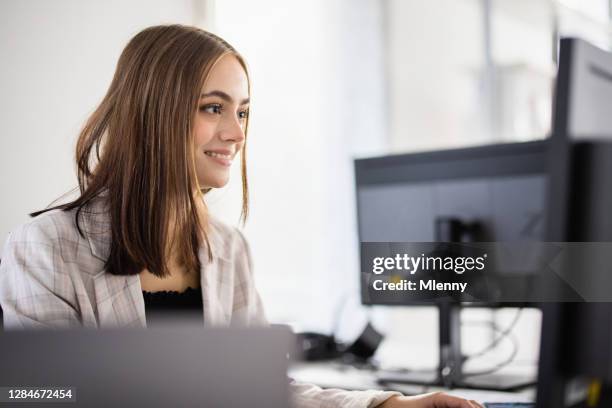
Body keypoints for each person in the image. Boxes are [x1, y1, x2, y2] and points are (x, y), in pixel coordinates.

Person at [0, 25, 483, 408]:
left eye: (244, 112)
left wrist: (387, 405)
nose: (235, 132)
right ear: (153, 113)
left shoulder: (226, 249)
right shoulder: (45, 247)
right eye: (214, 108)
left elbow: (261, 393)